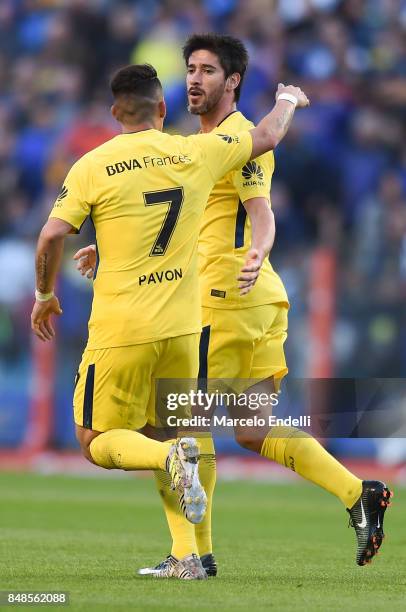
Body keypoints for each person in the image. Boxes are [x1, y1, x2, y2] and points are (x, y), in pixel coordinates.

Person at [75, 35, 392, 576]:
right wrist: (108, 245)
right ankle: (357, 491)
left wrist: (261, 246)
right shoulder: (200, 145)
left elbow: (259, 209)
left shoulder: (239, 136)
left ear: (233, 81)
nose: (195, 79)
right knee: (251, 425)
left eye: (207, 71)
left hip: (222, 297)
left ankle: (190, 556)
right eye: (190, 68)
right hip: (257, 300)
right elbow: (180, 215)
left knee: (176, 426)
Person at [31, 62, 310, 579]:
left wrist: (45, 294)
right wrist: (289, 100)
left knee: (95, 439)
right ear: (163, 108)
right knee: (170, 430)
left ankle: (168, 465)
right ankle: (189, 558)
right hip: (184, 330)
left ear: (115, 111)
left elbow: (50, 236)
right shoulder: (196, 152)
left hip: (121, 330)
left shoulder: (93, 164)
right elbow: (269, 134)